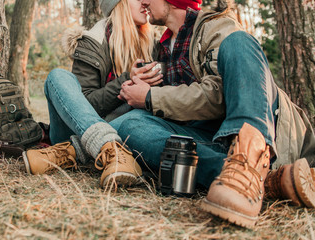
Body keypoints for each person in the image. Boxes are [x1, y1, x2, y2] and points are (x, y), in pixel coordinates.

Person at [108, 0, 315, 228]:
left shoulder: (216, 26)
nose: (144, 1)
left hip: (266, 131)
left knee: (238, 42)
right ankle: (252, 180)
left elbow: (218, 95)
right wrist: (139, 86)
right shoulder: (163, 48)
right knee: (130, 125)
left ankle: (251, 163)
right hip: (213, 139)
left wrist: (150, 97)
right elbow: (177, 107)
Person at [22, 0, 162, 189]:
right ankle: (108, 147)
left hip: (125, 129)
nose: (146, 2)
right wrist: (126, 80)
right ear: (117, 4)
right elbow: (85, 105)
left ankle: (76, 153)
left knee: (141, 110)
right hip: (75, 130)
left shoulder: (156, 43)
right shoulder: (93, 42)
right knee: (58, 76)